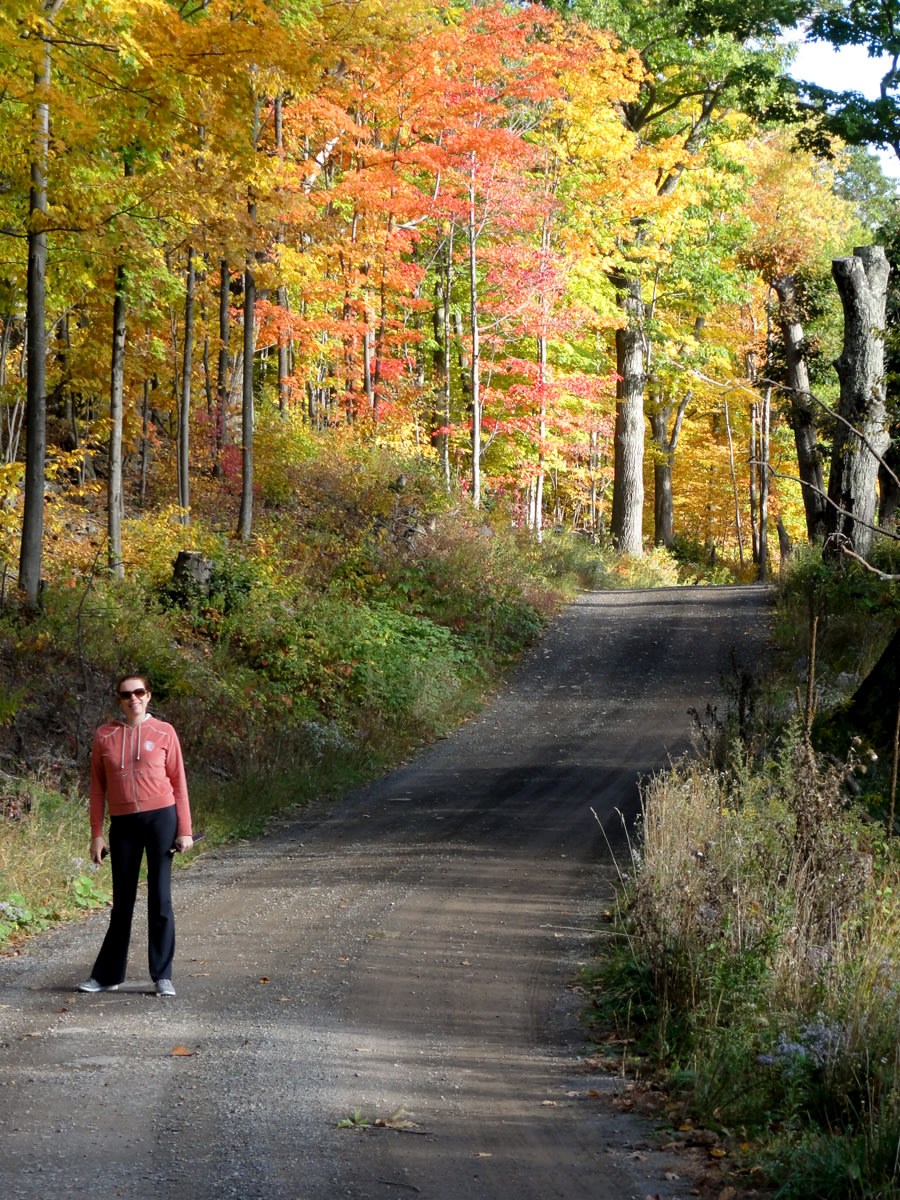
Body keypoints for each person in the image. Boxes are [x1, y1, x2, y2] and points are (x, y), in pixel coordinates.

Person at [78, 674, 193, 997]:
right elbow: (97, 787)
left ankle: (162, 976)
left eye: (139, 692)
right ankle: (108, 975)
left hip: (161, 819)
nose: (133, 698)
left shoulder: (164, 732)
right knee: (122, 901)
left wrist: (184, 829)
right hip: (123, 823)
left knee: (160, 898)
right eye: (126, 694)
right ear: (119, 700)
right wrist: (96, 834)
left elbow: (179, 782)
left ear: (148, 695)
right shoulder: (105, 735)